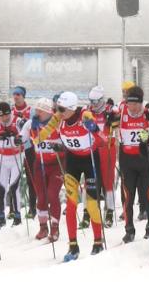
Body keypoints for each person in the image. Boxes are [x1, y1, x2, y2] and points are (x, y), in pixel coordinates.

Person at [35, 91, 105, 262]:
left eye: (62, 109)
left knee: (92, 205)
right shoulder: (58, 118)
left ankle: (98, 241)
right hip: (72, 161)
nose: (58, 112)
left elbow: (102, 140)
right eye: (57, 108)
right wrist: (36, 132)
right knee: (71, 205)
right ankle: (73, 246)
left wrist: (94, 129)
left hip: (90, 159)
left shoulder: (85, 115)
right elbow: (42, 136)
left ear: (72, 108)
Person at [116, 86, 149, 243]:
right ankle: (129, 229)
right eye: (129, 104)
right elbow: (109, 115)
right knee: (128, 196)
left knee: (148, 193)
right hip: (127, 159)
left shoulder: (147, 109)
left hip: (144, 159)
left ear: (140, 103)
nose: (132, 107)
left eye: (135, 104)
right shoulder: (122, 109)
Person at [20, 98, 64, 242]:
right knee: (41, 196)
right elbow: (21, 137)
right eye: (37, 110)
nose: (37, 113)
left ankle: (55, 227)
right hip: (40, 163)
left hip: (57, 163)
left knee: (52, 194)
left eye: (41, 111)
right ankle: (43, 227)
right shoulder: (31, 124)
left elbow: (67, 141)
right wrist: (17, 140)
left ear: (49, 112)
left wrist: (61, 147)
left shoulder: (58, 123)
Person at [0, 101, 25, 228]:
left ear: (10, 112)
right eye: (2, 116)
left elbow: (26, 137)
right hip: (2, 158)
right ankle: (1, 216)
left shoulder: (18, 121)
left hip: (16, 157)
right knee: (2, 187)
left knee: (14, 187)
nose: (4, 118)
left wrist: (16, 138)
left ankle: (17, 216)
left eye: (7, 115)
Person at [87, 86, 119, 228]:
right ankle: (88, 212)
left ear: (101, 100)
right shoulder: (87, 111)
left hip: (108, 149)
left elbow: (117, 128)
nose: (93, 104)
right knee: (91, 181)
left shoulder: (111, 110)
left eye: (95, 101)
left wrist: (114, 121)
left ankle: (110, 211)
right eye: (91, 101)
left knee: (108, 180)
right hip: (93, 149)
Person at [10, 86, 37, 218]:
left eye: (18, 94)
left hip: (28, 148)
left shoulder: (31, 111)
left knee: (31, 179)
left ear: (23, 96)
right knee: (13, 179)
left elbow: (34, 130)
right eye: (14, 94)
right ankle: (12, 209)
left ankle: (32, 208)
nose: (16, 97)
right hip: (14, 149)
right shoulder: (10, 110)